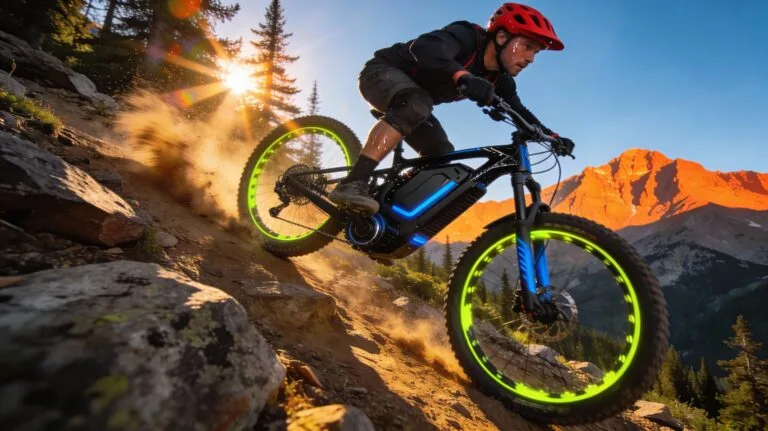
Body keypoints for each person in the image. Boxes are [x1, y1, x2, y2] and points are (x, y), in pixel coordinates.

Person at [329, 2, 575, 214]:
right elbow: (424, 49)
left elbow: (520, 111)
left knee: (441, 156)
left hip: (417, 104)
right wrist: (463, 76)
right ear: (502, 38)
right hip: (381, 73)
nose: (531, 58)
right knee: (418, 104)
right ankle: (353, 182)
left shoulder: (500, 80)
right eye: (527, 46)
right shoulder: (467, 37)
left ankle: (380, 218)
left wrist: (552, 136)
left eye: (536, 52)